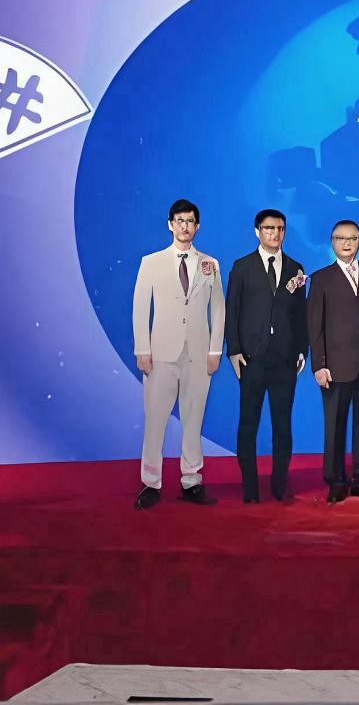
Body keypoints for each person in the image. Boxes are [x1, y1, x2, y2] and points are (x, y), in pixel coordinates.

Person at [131, 199, 224, 510]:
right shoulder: (151, 262)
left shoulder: (210, 264)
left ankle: (192, 480)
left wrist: (215, 350)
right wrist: (142, 349)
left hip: (198, 354)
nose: (185, 226)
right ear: (170, 224)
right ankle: (151, 482)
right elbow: (140, 307)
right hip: (161, 354)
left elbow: (218, 309)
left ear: (198, 226)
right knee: (155, 420)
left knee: (194, 420)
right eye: (180, 220)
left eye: (190, 221)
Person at [225, 209, 308, 504]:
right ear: (257, 231)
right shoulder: (242, 267)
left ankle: (279, 484)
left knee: (282, 425)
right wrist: (234, 350)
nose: (275, 233)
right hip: (251, 358)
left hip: (285, 359)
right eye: (269, 228)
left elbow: (301, 314)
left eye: (280, 228)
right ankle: (249, 487)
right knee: (248, 423)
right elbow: (232, 311)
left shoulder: (296, 268)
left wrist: (302, 349)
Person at [308, 219, 359, 504]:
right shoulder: (321, 278)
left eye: (352, 238)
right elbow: (314, 327)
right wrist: (319, 364)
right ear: (332, 242)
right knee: (335, 424)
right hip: (334, 366)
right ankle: (335, 481)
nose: (346, 243)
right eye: (340, 238)